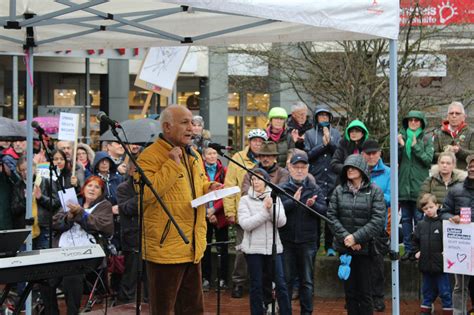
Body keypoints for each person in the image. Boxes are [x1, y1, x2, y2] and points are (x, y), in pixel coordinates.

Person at [137, 105, 221, 315]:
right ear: (167, 126)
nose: (191, 128)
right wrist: (172, 164)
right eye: (185, 122)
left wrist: (209, 188)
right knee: (164, 310)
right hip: (166, 249)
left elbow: (196, 186)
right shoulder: (149, 156)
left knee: (193, 309)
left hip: (193, 245)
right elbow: (147, 196)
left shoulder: (193, 155)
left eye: (192, 122)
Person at [327, 154, 385, 315]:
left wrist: (356, 238)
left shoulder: (375, 191)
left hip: (366, 250)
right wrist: (348, 238)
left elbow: (378, 219)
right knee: (350, 293)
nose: (350, 170)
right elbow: (331, 217)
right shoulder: (339, 191)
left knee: (365, 293)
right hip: (345, 248)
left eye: (354, 167)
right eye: (347, 168)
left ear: (363, 169)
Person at [48, 175, 114, 315]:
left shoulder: (104, 206)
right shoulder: (71, 201)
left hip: (86, 255)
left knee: (71, 277)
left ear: (101, 192)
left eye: (97, 187)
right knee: (44, 278)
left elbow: (102, 226)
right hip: (61, 251)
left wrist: (81, 213)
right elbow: (54, 222)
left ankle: (72, 312)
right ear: (84, 188)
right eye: (90, 185)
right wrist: (69, 217)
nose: (92, 189)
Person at [279, 153, 327, 314]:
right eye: (296, 167)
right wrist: (293, 201)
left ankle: (307, 312)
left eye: (303, 167)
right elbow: (277, 211)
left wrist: (312, 205)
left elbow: (325, 212)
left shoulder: (315, 188)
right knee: (286, 280)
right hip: (287, 242)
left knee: (306, 281)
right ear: (290, 168)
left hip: (307, 242)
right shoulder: (283, 189)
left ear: (308, 169)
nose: (299, 170)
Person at [238, 168, 291, 315]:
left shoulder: (275, 197)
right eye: (253, 179)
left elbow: (281, 222)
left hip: (274, 249)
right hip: (254, 251)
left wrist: (271, 208)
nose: (256, 182)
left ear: (266, 180)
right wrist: (264, 211)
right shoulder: (244, 200)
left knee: (281, 284)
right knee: (256, 285)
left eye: (259, 179)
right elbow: (246, 224)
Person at [223, 128, 268, 299]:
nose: (257, 144)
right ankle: (238, 283)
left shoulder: (267, 159)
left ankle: (260, 284)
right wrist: (229, 210)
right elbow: (229, 184)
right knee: (242, 250)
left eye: (260, 141)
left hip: (263, 213)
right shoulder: (238, 158)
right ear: (249, 142)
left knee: (262, 249)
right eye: (254, 140)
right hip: (243, 212)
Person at [305, 105, 341, 256]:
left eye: (326, 116)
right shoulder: (309, 134)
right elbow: (308, 155)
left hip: (332, 179)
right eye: (321, 116)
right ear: (316, 118)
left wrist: (330, 143)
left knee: (330, 215)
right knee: (314, 214)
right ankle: (314, 246)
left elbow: (339, 152)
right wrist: (323, 145)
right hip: (316, 179)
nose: (324, 118)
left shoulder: (336, 133)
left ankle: (330, 246)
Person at [440, 154, 474, 315]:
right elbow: (443, 212)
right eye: (471, 165)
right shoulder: (456, 190)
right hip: (463, 245)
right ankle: (459, 312)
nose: (472, 168)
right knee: (460, 285)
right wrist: (451, 218)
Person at [398, 111, 434, 261]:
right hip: (404, 184)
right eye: (410, 120)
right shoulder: (400, 137)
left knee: (419, 219)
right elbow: (395, 159)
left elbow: (428, 160)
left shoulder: (426, 139)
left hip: (419, 186)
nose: (413, 123)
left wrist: (415, 146)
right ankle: (408, 249)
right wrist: (401, 146)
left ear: (421, 122)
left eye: (416, 120)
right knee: (405, 219)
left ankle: (418, 249)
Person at [361, 139, 391, 312]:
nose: (371, 156)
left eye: (374, 153)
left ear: (380, 153)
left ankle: (378, 297)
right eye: (368, 153)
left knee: (376, 263)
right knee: (357, 263)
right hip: (357, 223)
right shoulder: (356, 170)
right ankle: (360, 296)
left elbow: (391, 198)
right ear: (363, 154)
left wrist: (371, 196)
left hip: (378, 225)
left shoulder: (388, 172)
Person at [413, 193, 453, 315]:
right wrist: (416, 252)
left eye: (431, 207)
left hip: (441, 265)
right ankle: (426, 308)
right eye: (425, 209)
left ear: (437, 205)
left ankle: (447, 309)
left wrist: (447, 252)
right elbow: (415, 240)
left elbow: (450, 240)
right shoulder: (420, 225)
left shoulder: (444, 223)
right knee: (426, 289)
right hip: (425, 264)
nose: (428, 210)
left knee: (444, 290)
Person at [11, 156, 59, 249]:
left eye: (28, 169)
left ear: (34, 167)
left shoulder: (47, 182)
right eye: (22, 170)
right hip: (25, 230)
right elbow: (14, 210)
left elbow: (56, 204)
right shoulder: (18, 186)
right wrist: (25, 200)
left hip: (44, 229)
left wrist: (41, 198)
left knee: (43, 259)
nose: (26, 172)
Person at [116, 160, 146, 304]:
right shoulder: (123, 188)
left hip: (149, 234)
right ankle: (127, 300)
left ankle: (147, 299)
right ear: (130, 171)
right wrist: (142, 197)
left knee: (148, 272)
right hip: (132, 235)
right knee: (132, 271)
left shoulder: (149, 187)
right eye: (136, 169)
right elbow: (126, 208)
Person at [201, 146, 229, 291]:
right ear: (204, 156)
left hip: (220, 215)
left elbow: (227, 192)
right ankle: (205, 278)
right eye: (209, 154)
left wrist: (215, 210)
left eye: (214, 153)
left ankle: (222, 278)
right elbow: (198, 191)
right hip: (204, 215)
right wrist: (207, 211)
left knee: (222, 247)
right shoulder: (199, 171)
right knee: (204, 248)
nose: (212, 156)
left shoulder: (224, 171)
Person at [433, 101, 474, 170]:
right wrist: (445, 154)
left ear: (464, 117)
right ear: (447, 117)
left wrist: (459, 151)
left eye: (457, 113)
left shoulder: (471, 133)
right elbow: (432, 156)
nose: (454, 115)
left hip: (465, 175)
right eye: (451, 113)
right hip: (444, 176)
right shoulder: (438, 134)